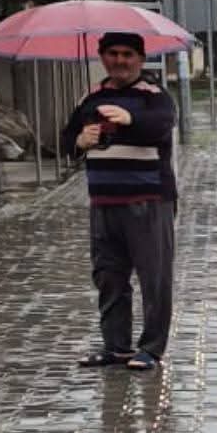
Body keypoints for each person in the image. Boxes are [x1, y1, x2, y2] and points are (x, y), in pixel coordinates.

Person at [61, 31, 178, 371]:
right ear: (102, 57)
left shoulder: (154, 96)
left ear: (141, 59)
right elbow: (67, 139)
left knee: (153, 278)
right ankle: (116, 348)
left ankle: (151, 349)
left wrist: (131, 120)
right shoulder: (91, 98)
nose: (120, 61)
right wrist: (79, 140)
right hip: (103, 204)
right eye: (112, 53)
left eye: (128, 54)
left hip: (148, 201)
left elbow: (162, 125)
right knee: (109, 277)